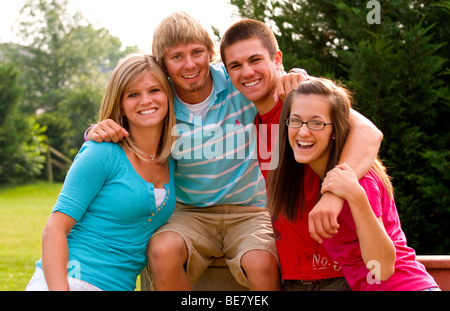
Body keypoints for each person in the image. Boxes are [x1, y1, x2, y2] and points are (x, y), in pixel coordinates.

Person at [86, 12, 287, 290]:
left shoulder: (238, 81)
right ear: (163, 63)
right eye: (176, 56)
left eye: (197, 52)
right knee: (161, 251)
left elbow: (283, 82)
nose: (189, 64)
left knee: (262, 263)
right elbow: (124, 125)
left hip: (250, 210)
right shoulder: (159, 99)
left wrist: (297, 77)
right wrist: (95, 131)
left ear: (210, 53)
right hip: (189, 211)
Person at [219, 19, 383, 290]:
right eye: (235, 66)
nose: (246, 72)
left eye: (255, 60)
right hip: (293, 277)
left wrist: (333, 193)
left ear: (277, 59)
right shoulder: (252, 119)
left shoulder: (302, 101)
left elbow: (369, 132)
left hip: (340, 275)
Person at [268, 77, 439, 291]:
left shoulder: (359, 181)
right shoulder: (323, 177)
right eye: (295, 121)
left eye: (316, 123)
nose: (303, 131)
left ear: (335, 131)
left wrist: (355, 196)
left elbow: (382, 269)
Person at [25, 53, 177, 291]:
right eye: (133, 94)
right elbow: (54, 229)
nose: (146, 100)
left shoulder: (172, 159)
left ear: (168, 96)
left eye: (155, 90)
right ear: (121, 105)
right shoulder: (102, 152)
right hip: (70, 281)